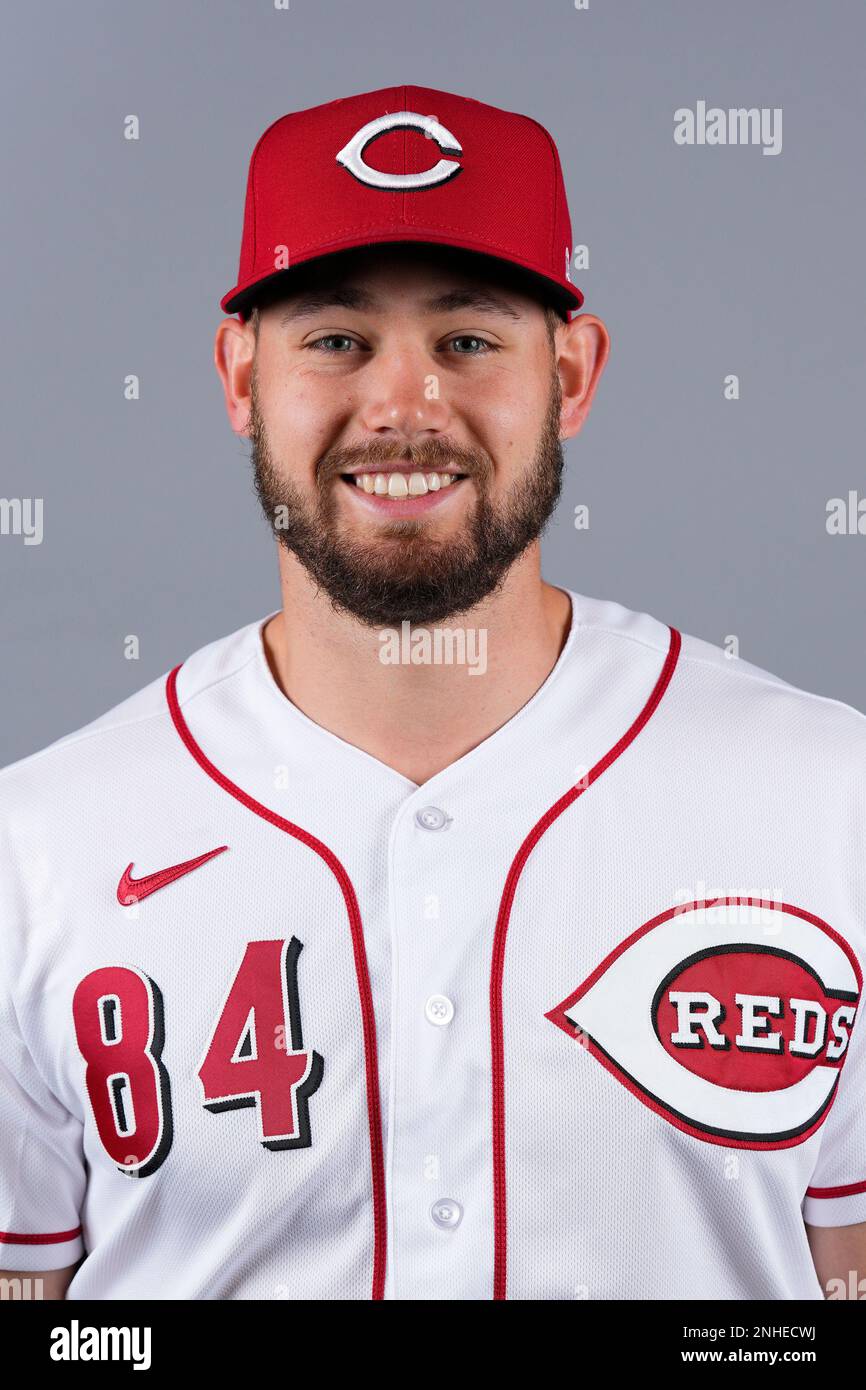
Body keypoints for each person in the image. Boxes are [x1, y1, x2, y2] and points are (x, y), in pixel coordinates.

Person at [1, 85, 863, 1301]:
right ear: (239, 376)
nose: (404, 409)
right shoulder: (36, 849)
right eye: (335, 339)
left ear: (570, 373)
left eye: (466, 340)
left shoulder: (830, 802)